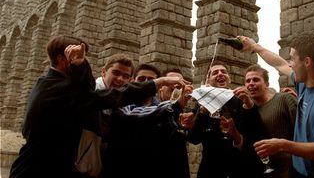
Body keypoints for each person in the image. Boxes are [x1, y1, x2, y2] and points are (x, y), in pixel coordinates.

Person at [9, 35, 185, 178]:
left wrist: (78, 64)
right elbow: (101, 94)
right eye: (79, 57)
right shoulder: (58, 88)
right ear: (62, 59)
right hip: (39, 170)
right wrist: (158, 83)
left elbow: (88, 89)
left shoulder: (54, 83)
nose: (83, 61)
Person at [239, 34, 314, 178]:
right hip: (298, 172)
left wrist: (282, 145)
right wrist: (254, 47)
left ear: (307, 62)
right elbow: (280, 64)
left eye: (292, 58)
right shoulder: (304, 84)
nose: (290, 64)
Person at [188, 61, 261, 178]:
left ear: (229, 79)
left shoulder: (241, 100)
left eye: (223, 72)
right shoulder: (201, 104)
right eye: (215, 72)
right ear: (208, 81)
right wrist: (203, 110)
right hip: (210, 171)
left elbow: (254, 133)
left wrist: (248, 103)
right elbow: (194, 139)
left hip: (238, 169)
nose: (220, 74)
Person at [236, 64, 297, 178]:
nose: (251, 83)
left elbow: (303, 130)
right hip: (260, 171)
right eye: (247, 81)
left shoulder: (284, 99)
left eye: (256, 80)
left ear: (267, 84)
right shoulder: (245, 110)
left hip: (288, 169)